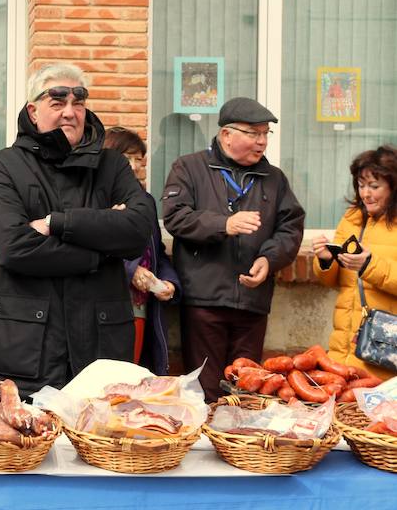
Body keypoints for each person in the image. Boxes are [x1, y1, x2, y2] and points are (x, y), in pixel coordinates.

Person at [0, 63, 156, 397]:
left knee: (102, 427)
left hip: (101, 344)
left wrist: (56, 223)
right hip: (28, 348)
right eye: (57, 102)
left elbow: (138, 230)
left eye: (78, 103)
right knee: (27, 430)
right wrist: (101, 251)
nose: (70, 112)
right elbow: (13, 248)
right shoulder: (5, 166)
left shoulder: (112, 166)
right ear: (33, 111)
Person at [162, 98, 305, 401]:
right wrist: (223, 224)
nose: (262, 141)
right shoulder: (189, 167)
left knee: (247, 392)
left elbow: (291, 227)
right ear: (226, 134)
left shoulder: (274, 179)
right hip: (204, 301)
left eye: (265, 134)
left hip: (253, 303)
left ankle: (239, 434)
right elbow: (175, 217)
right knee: (205, 392)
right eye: (254, 133)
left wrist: (269, 258)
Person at [311, 145, 397, 380]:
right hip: (342, 350)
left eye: (374, 186)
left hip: (384, 352)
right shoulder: (352, 217)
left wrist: (369, 265)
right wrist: (326, 260)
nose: (365, 194)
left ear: (393, 186)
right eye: (361, 185)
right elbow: (332, 281)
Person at [103, 127, 181, 375]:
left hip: (140, 306)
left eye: (139, 159)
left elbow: (156, 250)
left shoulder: (144, 200)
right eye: (128, 158)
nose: (135, 166)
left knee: (133, 377)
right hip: (105, 305)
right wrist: (131, 270)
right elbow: (90, 248)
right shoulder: (94, 197)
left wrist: (169, 281)